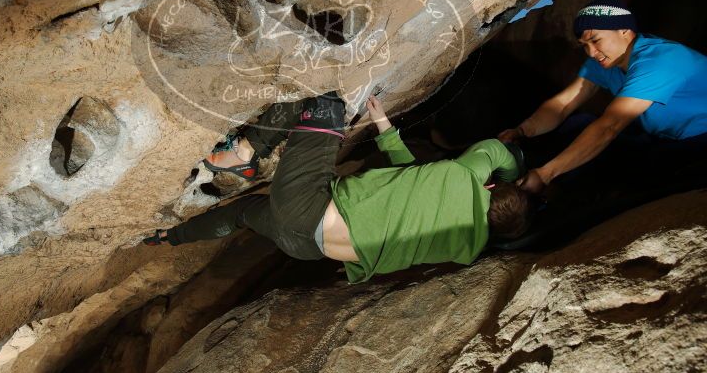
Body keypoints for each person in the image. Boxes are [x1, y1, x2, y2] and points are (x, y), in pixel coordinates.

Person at [144, 92, 533, 284]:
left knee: (325, 104)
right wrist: (384, 127)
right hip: (306, 248)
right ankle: (169, 236)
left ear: (489, 188)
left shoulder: (467, 178)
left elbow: (500, 151)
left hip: (307, 208)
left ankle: (243, 154)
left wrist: (517, 168)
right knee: (243, 214)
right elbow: (414, 180)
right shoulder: (463, 246)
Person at [499, 0, 707, 193]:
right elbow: (562, 105)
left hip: (701, 139)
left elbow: (610, 126)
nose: (591, 52)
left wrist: (547, 174)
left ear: (625, 30)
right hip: (668, 139)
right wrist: (522, 131)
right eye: (584, 45)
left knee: (635, 182)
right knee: (579, 125)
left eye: (596, 40)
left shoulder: (658, 62)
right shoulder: (607, 62)